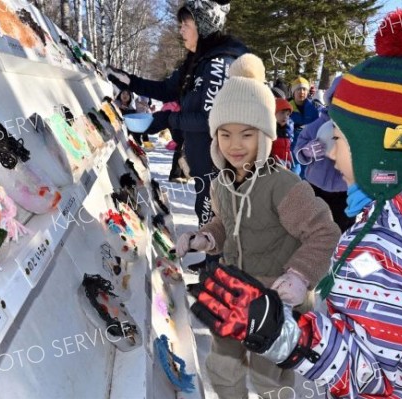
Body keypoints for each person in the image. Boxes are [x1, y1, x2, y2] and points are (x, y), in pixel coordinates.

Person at [189, 10, 402, 398]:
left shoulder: (382, 252)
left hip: (284, 306)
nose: (329, 152)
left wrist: (288, 337)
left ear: (380, 152)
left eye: (341, 138)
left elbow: (364, 373)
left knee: (268, 383)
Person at [175, 54, 341, 399]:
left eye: (247, 134)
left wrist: (299, 276)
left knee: (270, 380)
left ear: (265, 135)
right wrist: (206, 238)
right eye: (225, 134)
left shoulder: (282, 185)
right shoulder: (221, 182)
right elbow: (224, 222)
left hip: (275, 302)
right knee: (223, 366)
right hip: (233, 292)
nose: (235, 145)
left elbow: (324, 232)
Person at [107, 0, 247, 273]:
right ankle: (211, 264)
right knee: (205, 212)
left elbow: (210, 120)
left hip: (218, 162)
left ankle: (217, 276)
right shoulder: (198, 61)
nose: (180, 31)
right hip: (202, 158)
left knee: (214, 215)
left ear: (204, 27)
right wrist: (130, 82)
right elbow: (169, 89)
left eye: (186, 25)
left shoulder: (220, 62)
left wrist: (167, 120)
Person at [294, 76, 354, 232]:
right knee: (311, 224)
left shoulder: (358, 128)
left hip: (344, 190)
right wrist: (306, 151)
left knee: (339, 227)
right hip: (316, 185)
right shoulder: (319, 124)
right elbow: (300, 145)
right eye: (339, 98)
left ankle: (337, 252)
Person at [289, 77, 321, 177]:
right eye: (298, 89)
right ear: (293, 92)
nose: (301, 92)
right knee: (294, 175)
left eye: (304, 89)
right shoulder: (287, 107)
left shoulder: (315, 107)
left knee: (308, 175)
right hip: (293, 148)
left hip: (310, 147)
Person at [271, 98, 294, 169]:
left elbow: (287, 149)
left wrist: (289, 161)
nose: (285, 117)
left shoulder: (287, 132)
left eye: (287, 114)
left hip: (283, 167)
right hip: (271, 168)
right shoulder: (270, 131)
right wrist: (275, 161)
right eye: (282, 113)